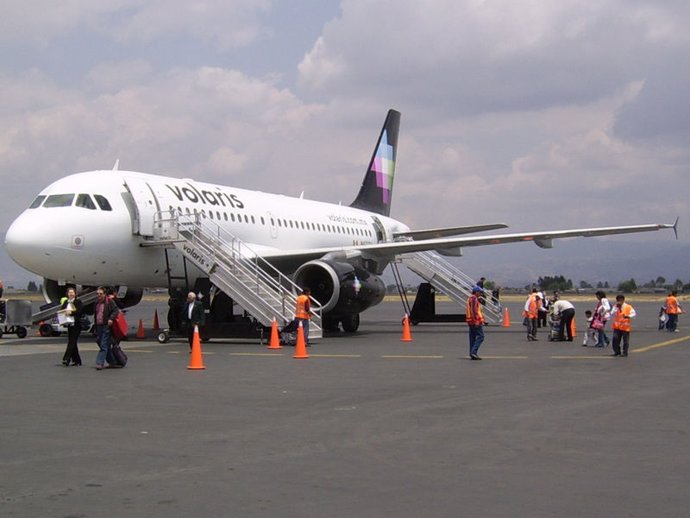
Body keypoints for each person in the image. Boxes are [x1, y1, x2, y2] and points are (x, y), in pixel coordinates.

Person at [93, 286, 119, 370]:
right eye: (97, 294)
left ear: (105, 294)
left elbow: (116, 310)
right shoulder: (96, 302)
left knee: (103, 344)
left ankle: (99, 363)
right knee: (104, 344)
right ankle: (113, 362)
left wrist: (111, 319)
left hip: (106, 325)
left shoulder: (109, 302)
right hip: (99, 325)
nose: (99, 295)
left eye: (100, 294)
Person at [60, 287, 83, 366]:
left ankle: (66, 359)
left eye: (72, 292)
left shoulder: (78, 301)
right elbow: (62, 310)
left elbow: (80, 311)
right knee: (73, 343)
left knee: (71, 342)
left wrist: (71, 312)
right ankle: (77, 360)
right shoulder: (66, 302)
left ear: (75, 293)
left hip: (76, 325)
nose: (71, 294)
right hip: (69, 324)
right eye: (69, 292)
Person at [466, 286, 485, 360]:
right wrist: (477, 320)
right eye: (480, 292)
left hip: (470, 321)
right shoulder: (474, 299)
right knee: (481, 336)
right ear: (476, 292)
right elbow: (474, 310)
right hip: (475, 321)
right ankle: (474, 352)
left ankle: (472, 353)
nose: (480, 293)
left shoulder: (470, 298)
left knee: (472, 338)